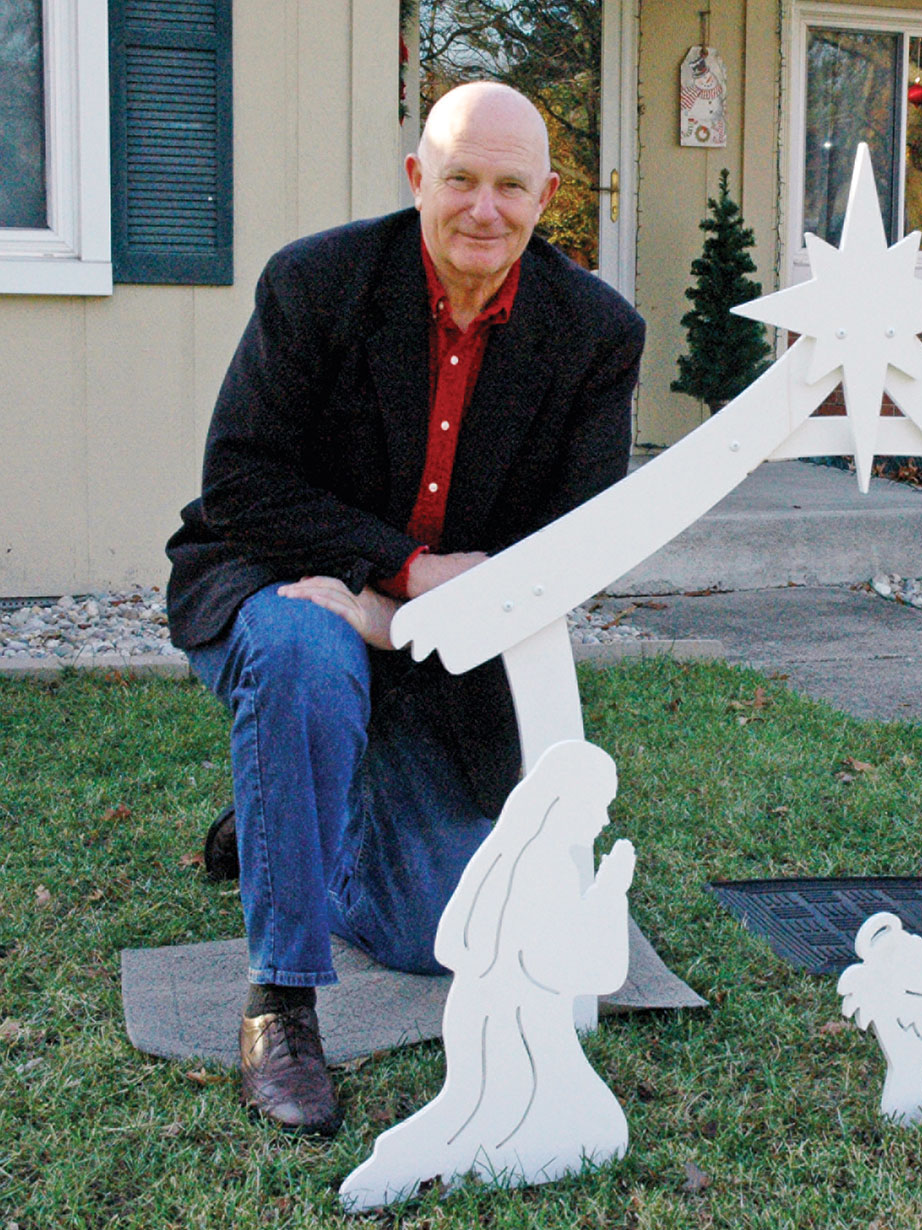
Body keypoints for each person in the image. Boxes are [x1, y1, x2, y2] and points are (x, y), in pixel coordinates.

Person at [164, 82, 645, 1136]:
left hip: (438, 638)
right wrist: (407, 568)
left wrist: (390, 609)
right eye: (460, 177)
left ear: (547, 196)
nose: (484, 207)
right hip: (280, 579)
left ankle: (286, 808)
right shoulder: (318, 282)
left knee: (447, 934)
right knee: (301, 653)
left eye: (510, 185)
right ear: (418, 176)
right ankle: (280, 1007)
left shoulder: (596, 332)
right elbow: (241, 480)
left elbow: (574, 549)